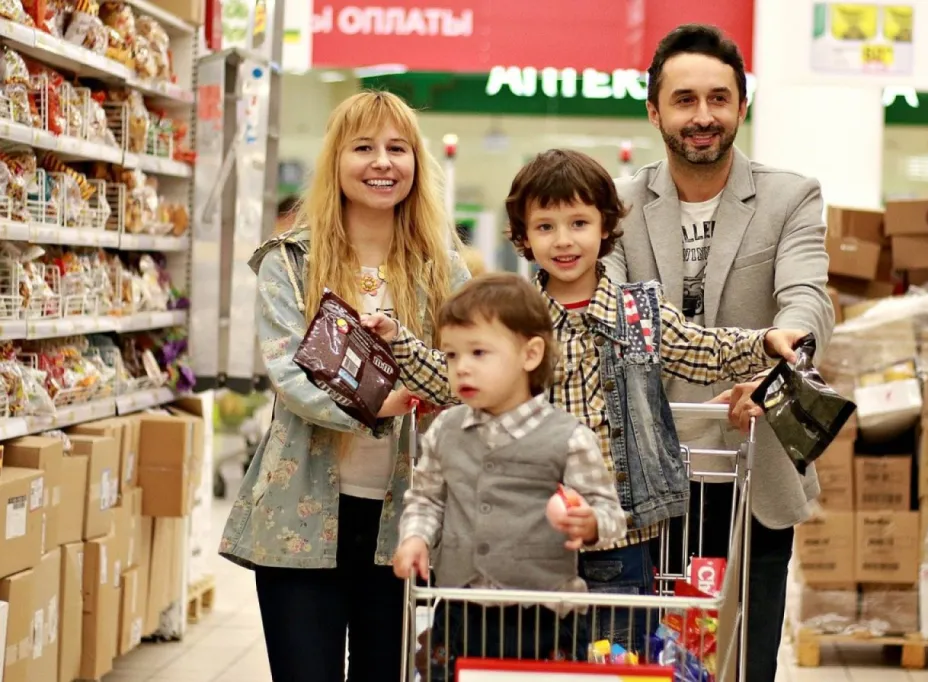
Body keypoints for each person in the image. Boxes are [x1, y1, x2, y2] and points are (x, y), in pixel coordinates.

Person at [364, 148, 808, 654]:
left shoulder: (635, 311)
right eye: (546, 226)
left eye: (579, 222)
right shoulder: (515, 318)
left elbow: (698, 348)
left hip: (620, 538)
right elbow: (453, 379)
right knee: (532, 660)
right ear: (524, 237)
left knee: (612, 660)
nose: (564, 240)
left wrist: (764, 341)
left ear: (605, 227)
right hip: (527, 543)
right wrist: (398, 342)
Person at [603, 24, 834, 681]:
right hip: (642, 478)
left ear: (742, 104)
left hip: (753, 466)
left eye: (718, 98)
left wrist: (776, 370)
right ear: (654, 110)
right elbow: (616, 319)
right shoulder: (613, 205)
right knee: (641, 664)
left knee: (744, 662)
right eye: (683, 100)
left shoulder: (791, 196)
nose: (702, 116)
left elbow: (806, 300)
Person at [219, 90, 470, 682]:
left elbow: (470, 367)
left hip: (407, 518)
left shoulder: (443, 268)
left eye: (397, 148)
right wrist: (384, 402)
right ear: (336, 161)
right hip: (298, 514)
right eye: (363, 148)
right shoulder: (290, 263)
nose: (382, 162)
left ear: (417, 163)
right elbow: (287, 372)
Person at [392, 273, 628, 679]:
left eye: (479, 352)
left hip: (545, 619)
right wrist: (415, 537)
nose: (461, 368)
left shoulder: (569, 437)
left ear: (530, 354)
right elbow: (427, 498)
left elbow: (611, 514)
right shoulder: (446, 430)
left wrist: (591, 525)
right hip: (459, 609)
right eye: (451, 356)